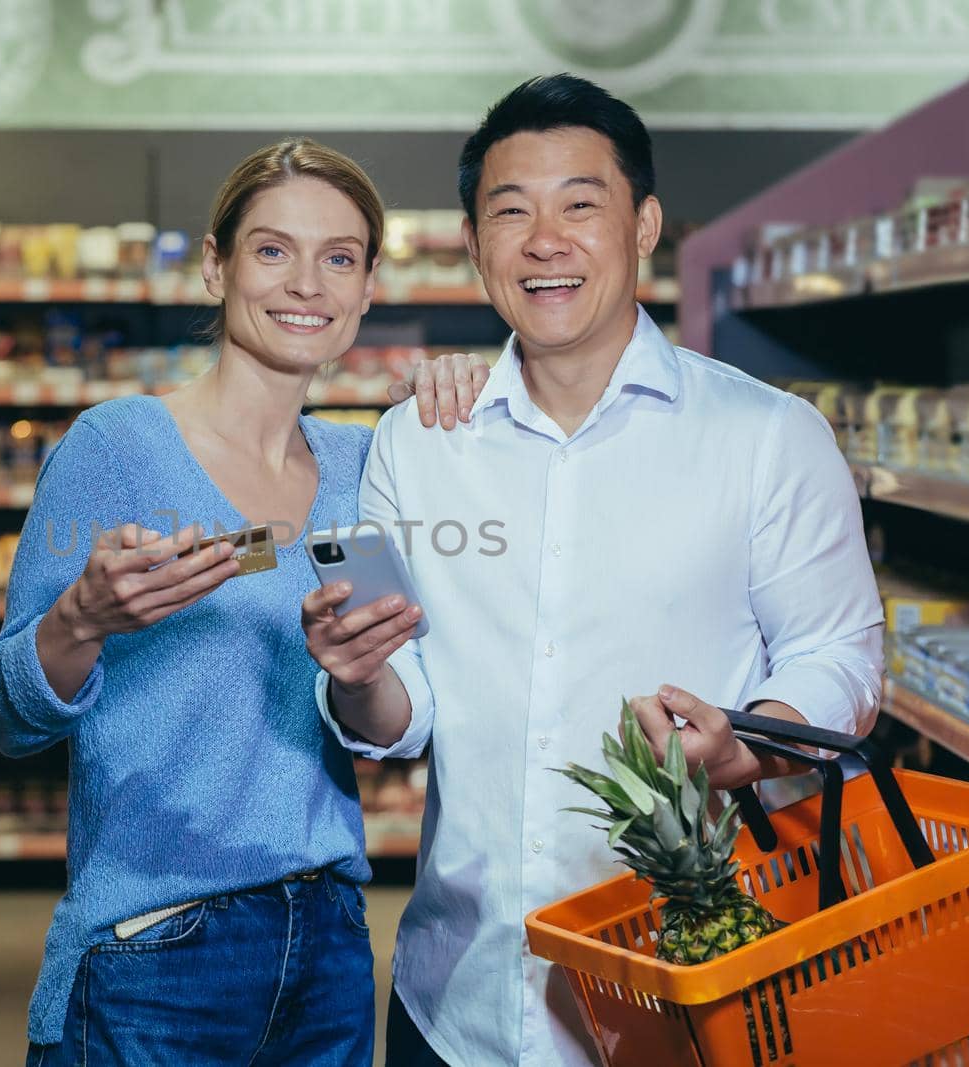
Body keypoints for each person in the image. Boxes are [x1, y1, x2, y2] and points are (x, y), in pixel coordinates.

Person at [303, 74, 884, 1066]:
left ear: (644, 222)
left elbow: (839, 653)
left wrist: (749, 744)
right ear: (473, 238)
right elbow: (405, 716)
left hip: (690, 995)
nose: (544, 239)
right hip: (459, 999)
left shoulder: (765, 435)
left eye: (580, 204)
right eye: (510, 211)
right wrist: (355, 677)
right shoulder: (418, 442)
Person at [0, 138, 475, 1066]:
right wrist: (78, 621)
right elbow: (6, 715)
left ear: (368, 288)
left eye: (339, 258)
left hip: (326, 944)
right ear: (217, 265)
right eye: (273, 250)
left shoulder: (361, 470)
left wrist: (360, 671)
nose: (307, 284)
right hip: (152, 949)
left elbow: (377, 705)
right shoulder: (117, 449)